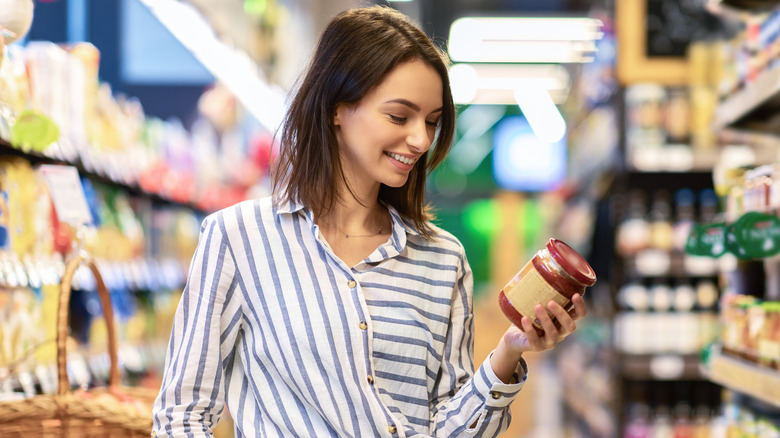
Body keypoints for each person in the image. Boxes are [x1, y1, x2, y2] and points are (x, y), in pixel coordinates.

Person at [151, 5, 587, 437]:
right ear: (336, 108)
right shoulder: (239, 237)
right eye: (399, 116)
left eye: (432, 122)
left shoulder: (443, 259)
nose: (420, 140)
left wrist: (510, 351)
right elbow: (181, 416)